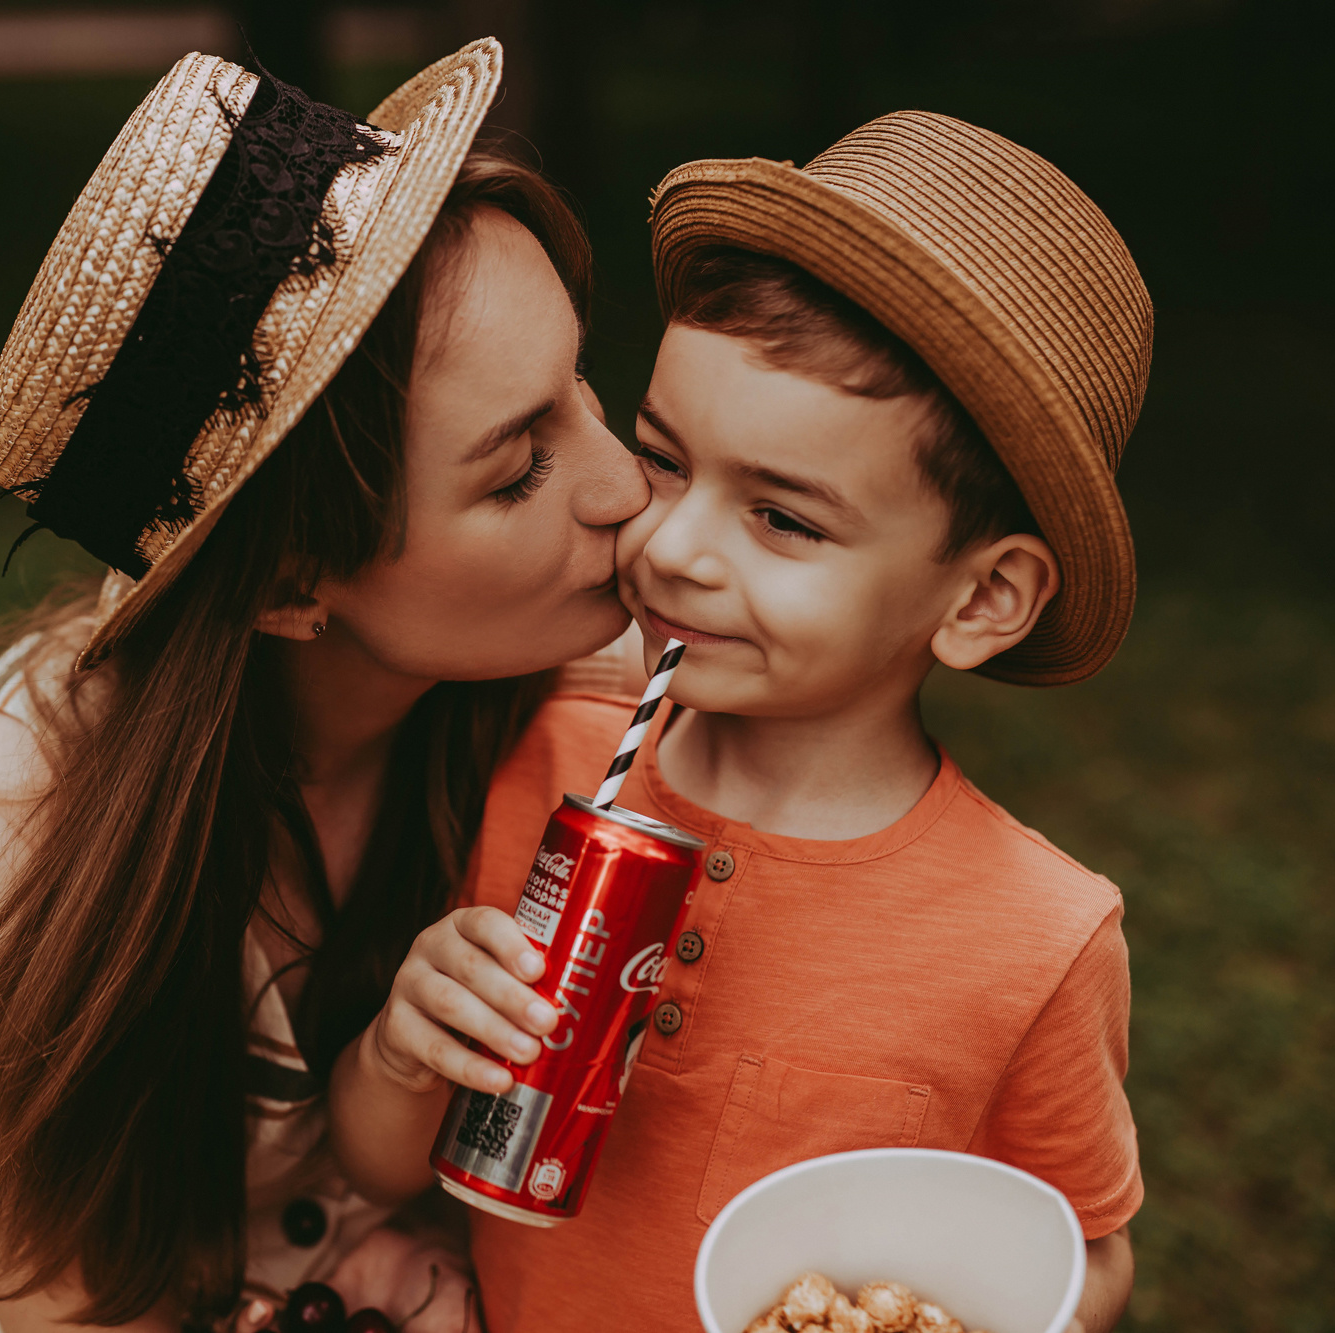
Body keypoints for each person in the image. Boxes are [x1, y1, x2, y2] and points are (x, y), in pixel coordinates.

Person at [0, 40, 651, 1333]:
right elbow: (66, 1304)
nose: (625, 490)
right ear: (288, 585)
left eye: (579, 387)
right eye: (515, 469)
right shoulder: (12, 813)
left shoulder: (595, 684)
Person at [331, 112, 1151, 1332]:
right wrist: (400, 1057)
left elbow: (1085, 1250)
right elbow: (380, 1169)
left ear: (980, 597)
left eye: (782, 520)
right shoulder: (526, 757)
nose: (667, 543)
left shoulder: (1038, 936)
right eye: (664, 461)